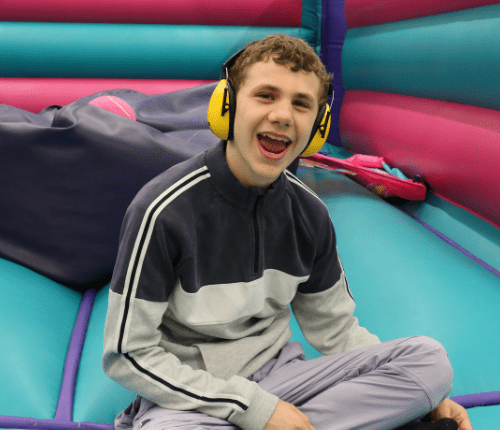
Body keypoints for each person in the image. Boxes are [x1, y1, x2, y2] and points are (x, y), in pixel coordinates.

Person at [102, 34, 472, 430]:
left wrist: (429, 396)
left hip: (287, 383)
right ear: (227, 107)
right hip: (195, 401)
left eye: (301, 104)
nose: (283, 115)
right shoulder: (162, 209)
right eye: (265, 95)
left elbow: (337, 331)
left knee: (429, 362)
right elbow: (127, 353)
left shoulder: (310, 214)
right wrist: (253, 410)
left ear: (317, 125)